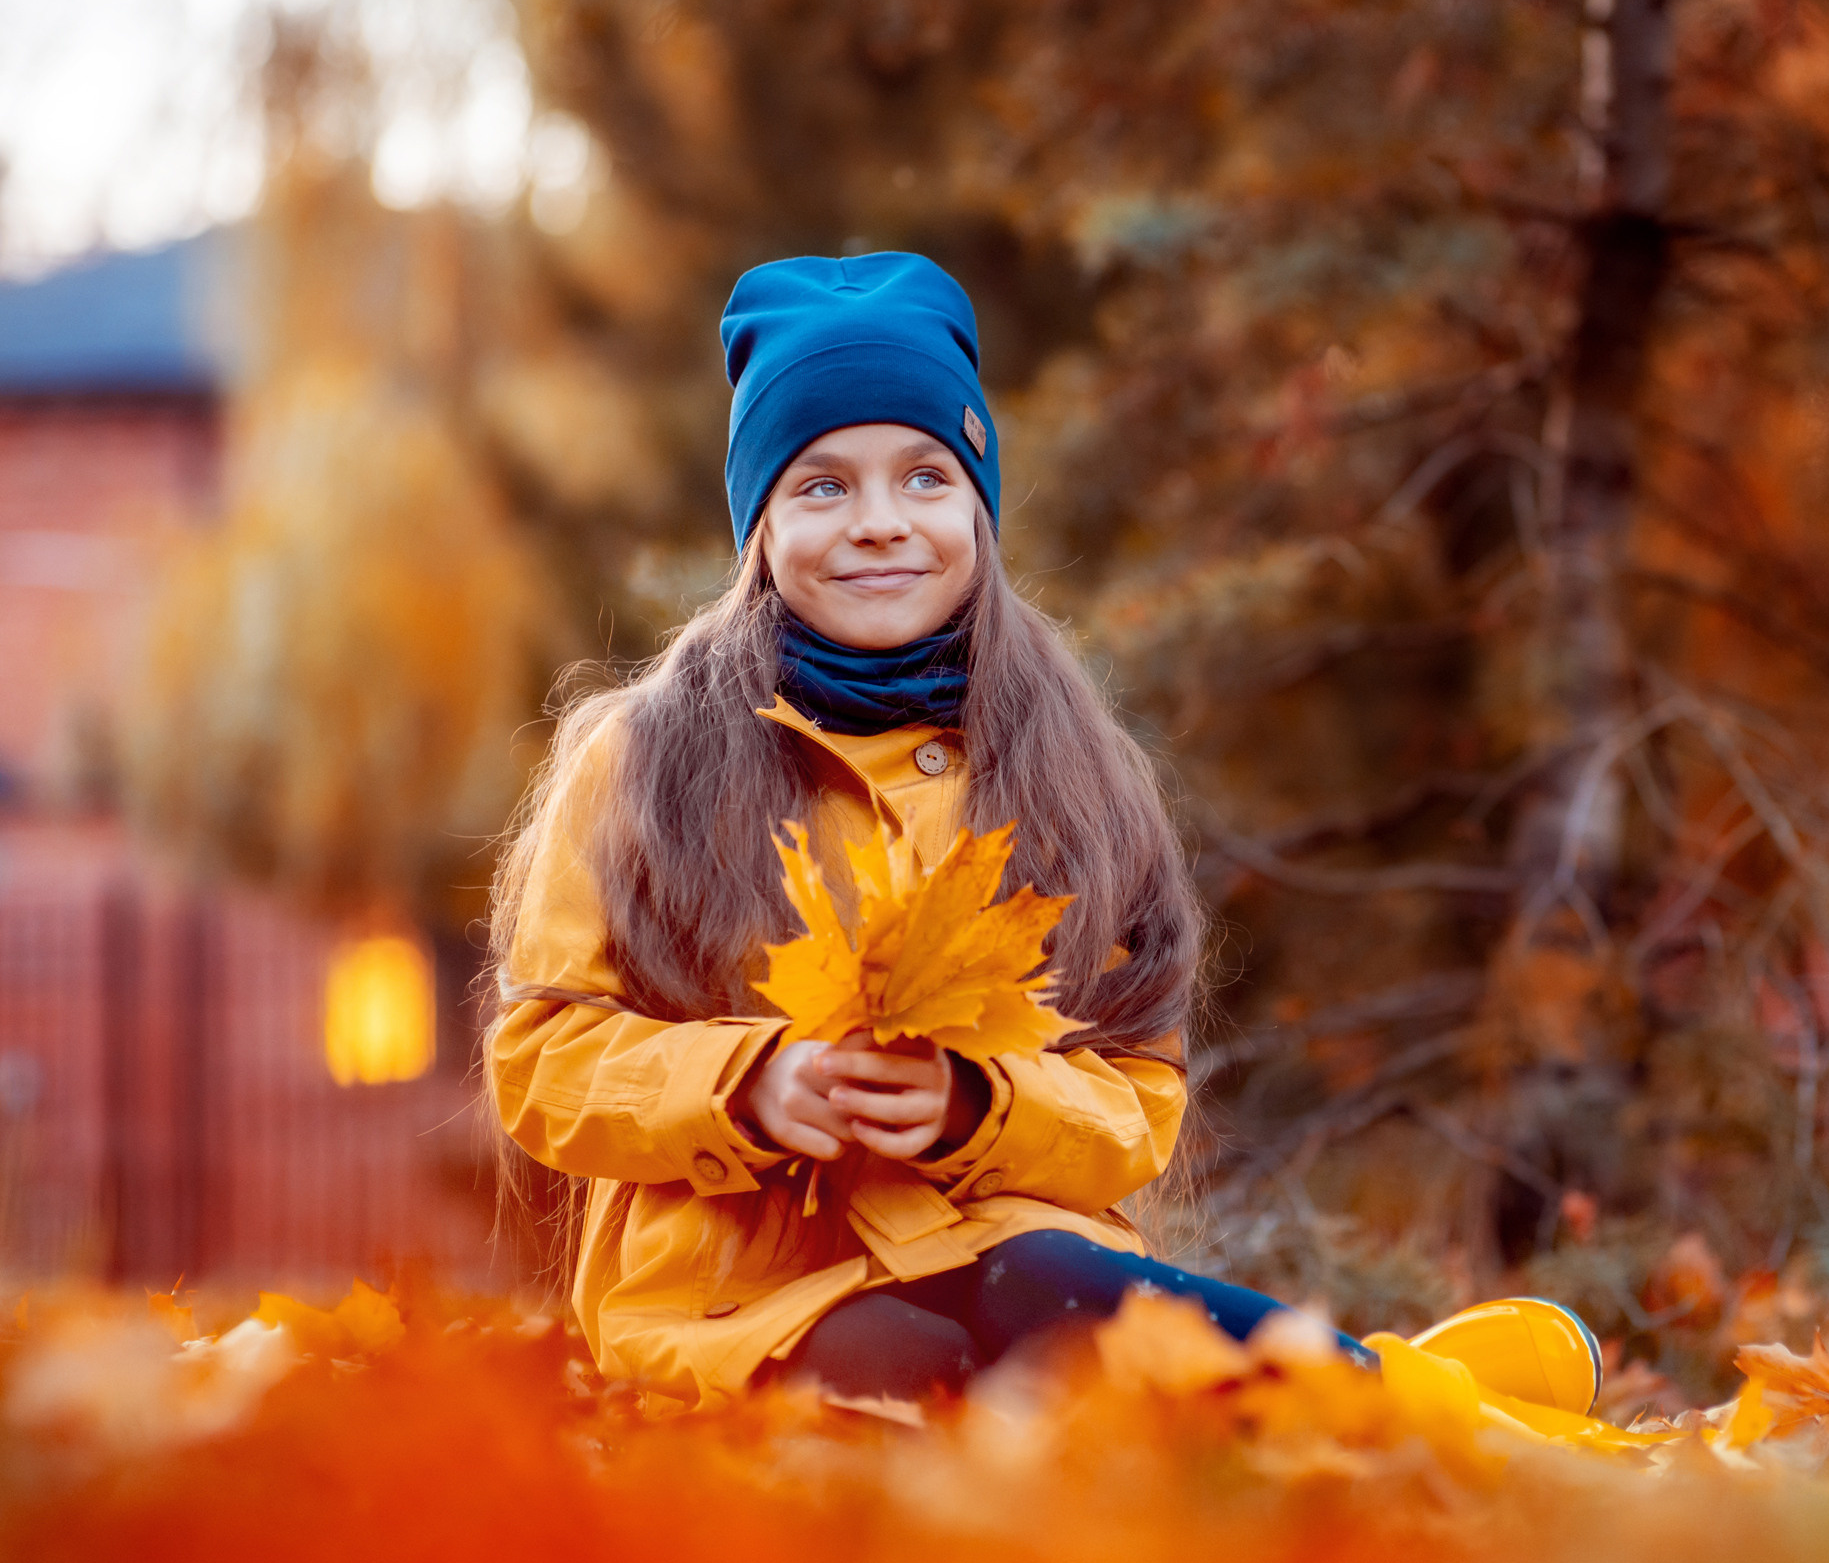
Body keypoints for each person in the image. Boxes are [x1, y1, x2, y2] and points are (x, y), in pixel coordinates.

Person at [486, 252, 1601, 1411]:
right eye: (821, 486)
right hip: (738, 1292)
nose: (879, 523)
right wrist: (747, 1087)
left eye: (925, 476)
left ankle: (1404, 1401)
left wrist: (977, 1107)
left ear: (977, 506)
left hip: (1000, 1234)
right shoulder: (646, 761)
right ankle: (1410, 1392)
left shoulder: (1065, 769)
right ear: (759, 523)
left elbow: (1136, 1099)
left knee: (1053, 1294)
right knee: (922, 1384)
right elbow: (543, 1058)